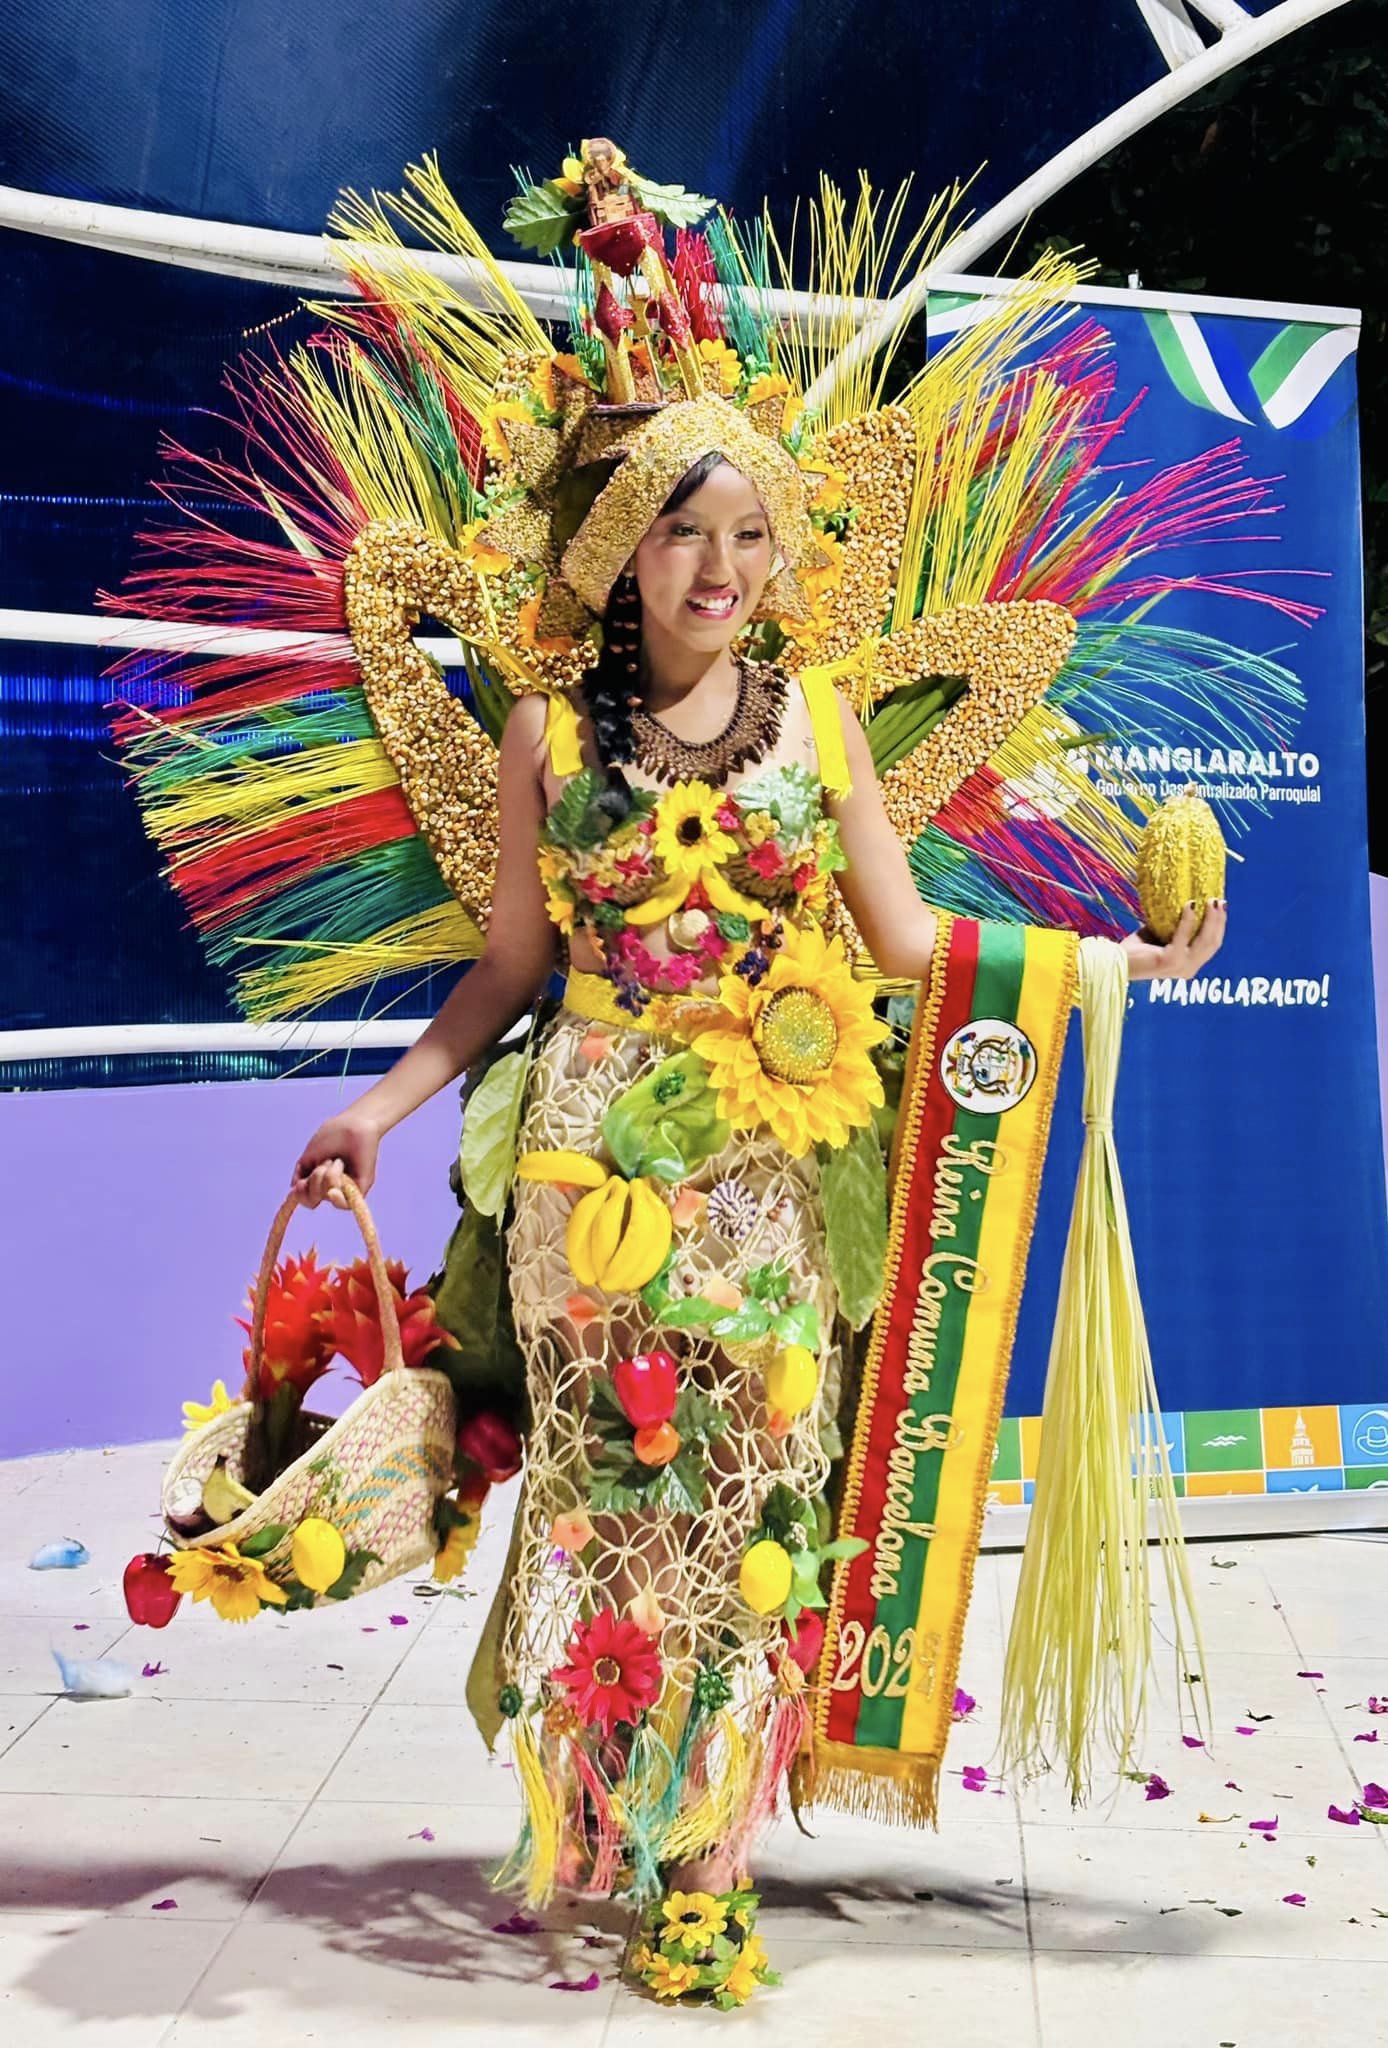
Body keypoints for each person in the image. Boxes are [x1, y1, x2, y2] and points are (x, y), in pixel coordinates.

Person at [114, 145, 1258, 2010]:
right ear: (617, 553)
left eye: (747, 535)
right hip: (582, 1180)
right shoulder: (544, 736)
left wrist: (1120, 964)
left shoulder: (821, 725)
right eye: (679, 531)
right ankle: (612, 1821)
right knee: (607, 1504)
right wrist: (374, 1114)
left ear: (780, 555)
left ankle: (708, 1867)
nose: (719, 568)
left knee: (755, 1506)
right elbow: (509, 971)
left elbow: (907, 941)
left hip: (772, 1173)